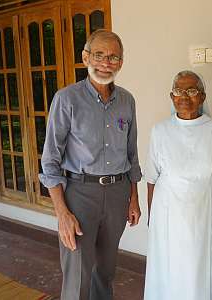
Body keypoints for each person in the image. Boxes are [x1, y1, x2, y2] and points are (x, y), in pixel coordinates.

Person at [39, 29, 141, 300]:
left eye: (114, 57)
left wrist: (133, 199)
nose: (106, 63)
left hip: (118, 193)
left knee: (105, 273)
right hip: (79, 194)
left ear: (121, 62)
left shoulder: (127, 101)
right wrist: (62, 212)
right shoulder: (66, 99)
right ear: (86, 57)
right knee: (78, 275)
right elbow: (50, 160)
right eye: (99, 55)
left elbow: (132, 155)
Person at [144, 71, 212, 300]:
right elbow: (152, 179)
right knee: (172, 262)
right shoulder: (160, 130)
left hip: (209, 211)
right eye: (178, 91)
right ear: (171, 97)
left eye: (192, 90)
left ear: (202, 97)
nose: (184, 96)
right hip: (169, 212)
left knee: (206, 261)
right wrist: (152, 218)